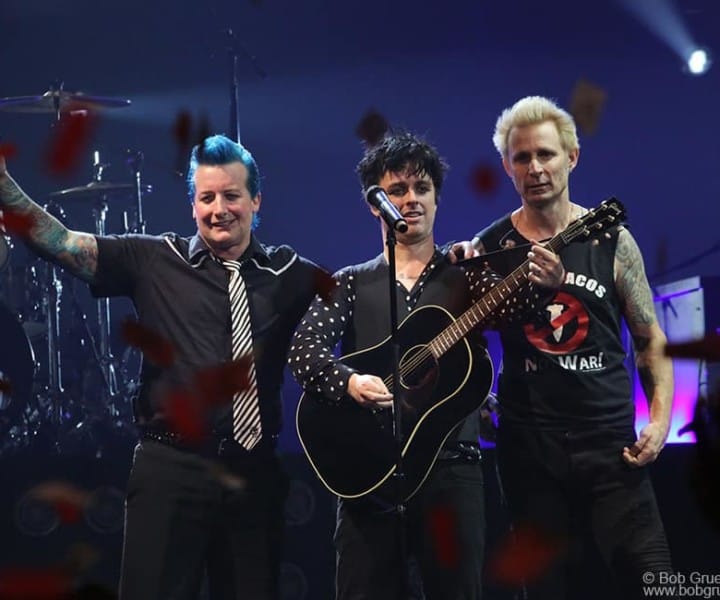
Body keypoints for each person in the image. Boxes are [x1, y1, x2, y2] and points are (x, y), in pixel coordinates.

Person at [0, 135, 321, 600]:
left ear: (255, 200)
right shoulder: (154, 259)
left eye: (231, 195)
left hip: (253, 475)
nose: (219, 209)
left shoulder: (289, 274)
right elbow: (64, 243)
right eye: (206, 197)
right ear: (192, 205)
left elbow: (356, 301)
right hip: (171, 469)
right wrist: (5, 187)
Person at [288, 132, 563, 600]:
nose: (410, 200)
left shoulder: (467, 272)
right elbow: (304, 351)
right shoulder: (349, 283)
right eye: (397, 191)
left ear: (437, 198)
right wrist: (350, 380)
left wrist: (548, 286)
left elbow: (525, 319)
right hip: (368, 475)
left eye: (421, 189)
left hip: (452, 473)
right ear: (376, 204)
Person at [471, 96, 675, 599]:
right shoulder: (491, 248)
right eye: (523, 158)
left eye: (546, 154)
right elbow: (465, 349)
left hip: (612, 448)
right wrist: (482, 403)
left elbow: (651, 341)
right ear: (507, 168)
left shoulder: (612, 240)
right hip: (529, 452)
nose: (536, 168)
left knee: (657, 583)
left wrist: (661, 420)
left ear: (572, 157)